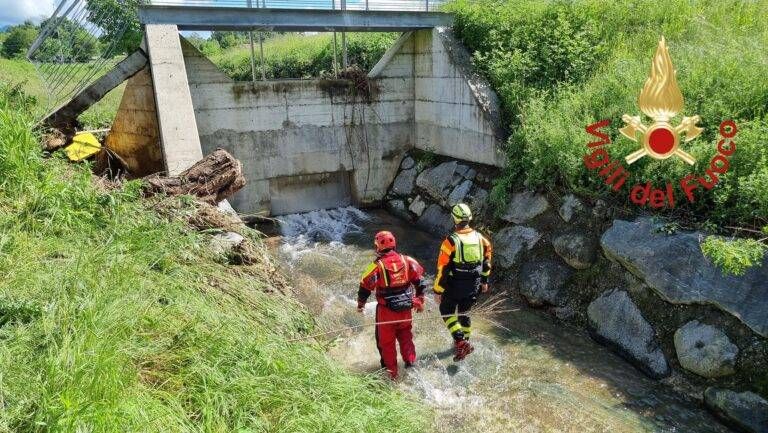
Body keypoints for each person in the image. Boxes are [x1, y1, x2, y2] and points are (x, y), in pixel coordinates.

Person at [357, 230, 427, 379]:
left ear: (377, 247)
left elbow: (364, 286)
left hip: (386, 313)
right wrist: (420, 300)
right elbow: (420, 282)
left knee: (386, 344)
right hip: (406, 309)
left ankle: (392, 376)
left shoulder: (377, 266)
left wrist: (360, 304)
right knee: (406, 337)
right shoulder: (407, 260)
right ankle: (411, 365)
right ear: (394, 244)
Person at [434, 203, 492, 361]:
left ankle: (460, 341)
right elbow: (486, 263)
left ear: (454, 219)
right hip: (473, 285)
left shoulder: (450, 242)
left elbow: (442, 269)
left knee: (446, 310)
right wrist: (484, 281)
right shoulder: (482, 239)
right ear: (469, 218)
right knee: (464, 313)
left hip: (455, 285)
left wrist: (438, 290)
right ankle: (465, 343)